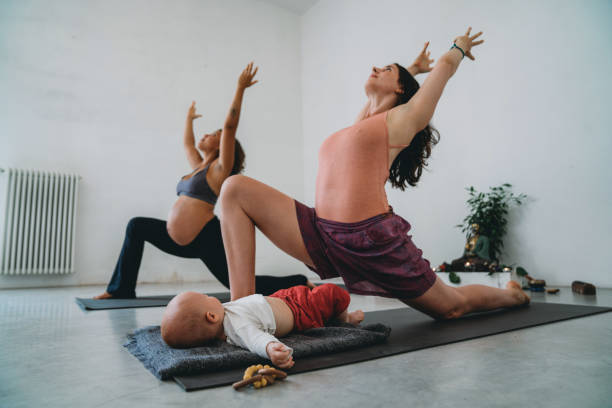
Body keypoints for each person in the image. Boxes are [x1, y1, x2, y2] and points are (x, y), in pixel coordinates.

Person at [218, 28, 530, 319]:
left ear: (400, 88)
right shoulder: (360, 125)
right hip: (323, 233)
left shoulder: (404, 119)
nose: (376, 68)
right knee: (234, 189)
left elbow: (445, 67)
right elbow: (379, 104)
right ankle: (241, 314)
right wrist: (411, 69)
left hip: (373, 241)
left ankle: (513, 296)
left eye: (386, 70)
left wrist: (458, 47)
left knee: (451, 307)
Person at [94, 63, 311, 299]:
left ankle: (298, 282)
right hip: (176, 237)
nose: (206, 135)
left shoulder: (219, 170)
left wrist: (240, 88)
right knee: (136, 226)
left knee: (239, 284)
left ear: (221, 145)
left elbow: (229, 127)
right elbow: (188, 144)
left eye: (213, 134)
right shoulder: (198, 166)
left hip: (205, 237)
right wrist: (188, 119)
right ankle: (121, 289)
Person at [161, 283, 364, 368]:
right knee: (332, 293)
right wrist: (271, 348)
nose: (211, 296)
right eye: (206, 297)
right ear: (211, 316)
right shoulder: (237, 327)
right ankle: (344, 320)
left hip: (282, 300)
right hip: (300, 311)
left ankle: (333, 315)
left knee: (312, 293)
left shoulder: (223, 315)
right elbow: (255, 339)